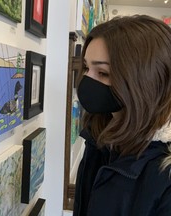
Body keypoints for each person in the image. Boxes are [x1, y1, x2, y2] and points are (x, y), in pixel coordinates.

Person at [73, 15, 171, 216]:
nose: (86, 80)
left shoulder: (164, 174)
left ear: (144, 80)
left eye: (103, 73)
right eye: (86, 67)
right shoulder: (99, 137)